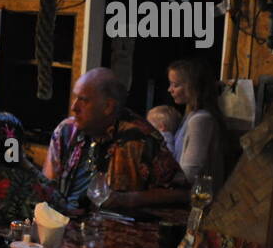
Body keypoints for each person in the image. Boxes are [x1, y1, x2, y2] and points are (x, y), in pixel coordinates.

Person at [43, 67, 183, 209]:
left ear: (108, 106)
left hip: (112, 226)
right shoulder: (66, 130)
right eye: (75, 97)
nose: (74, 107)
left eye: (83, 100)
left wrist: (129, 200)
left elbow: (182, 193)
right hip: (63, 222)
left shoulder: (140, 137)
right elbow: (47, 186)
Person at [166, 58, 226, 189]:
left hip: (196, 201)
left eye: (175, 85)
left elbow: (190, 172)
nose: (170, 89)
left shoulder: (201, 120)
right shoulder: (189, 117)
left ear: (192, 87)